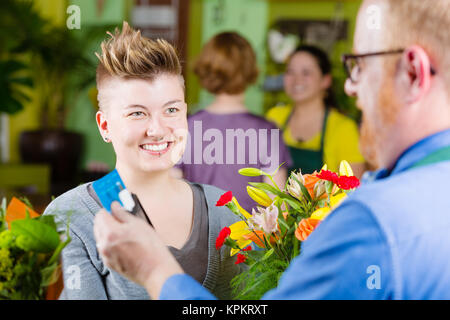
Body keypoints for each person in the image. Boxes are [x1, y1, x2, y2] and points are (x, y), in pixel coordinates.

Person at [93, 0, 450, 299]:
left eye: (359, 67)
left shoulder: (372, 221)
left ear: (415, 74)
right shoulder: (270, 127)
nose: (352, 89)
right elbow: (276, 203)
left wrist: (155, 269)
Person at [43, 22, 243, 299]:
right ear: (104, 126)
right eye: (137, 113)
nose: (158, 129)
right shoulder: (71, 215)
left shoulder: (224, 210)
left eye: (171, 109)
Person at [172, 32, 292, 213]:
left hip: (200, 238)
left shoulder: (187, 126)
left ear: (207, 70)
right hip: (252, 240)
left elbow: (173, 197)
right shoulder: (266, 131)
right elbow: (279, 206)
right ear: (250, 70)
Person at [266, 45, 366, 177]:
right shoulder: (274, 117)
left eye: (306, 73)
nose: (297, 79)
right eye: (290, 72)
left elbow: (353, 190)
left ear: (326, 80)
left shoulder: (343, 129)